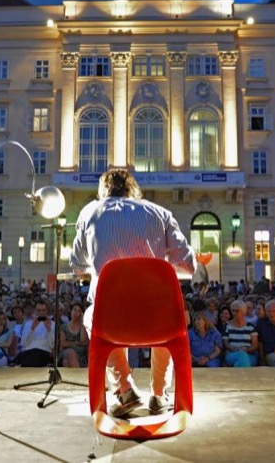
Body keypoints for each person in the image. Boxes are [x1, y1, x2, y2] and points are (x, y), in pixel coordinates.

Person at [70, 168, 196, 418]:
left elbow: (76, 264)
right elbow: (188, 266)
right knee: (169, 311)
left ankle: (125, 389)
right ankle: (159, 395)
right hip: (157, 320)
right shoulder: (161, 213)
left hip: (111, 320)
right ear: (133, 190)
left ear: (103, 191)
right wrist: (155, 267)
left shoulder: (89, 212)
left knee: (90, 316)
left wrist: (103, 264)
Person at [14, 301, 54, 367]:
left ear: (47, 310)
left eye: (43, 310)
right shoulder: (28, 324)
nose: (41, 313)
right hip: (28, 353)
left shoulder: (52, 324)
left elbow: (52, 345)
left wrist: (49, 330)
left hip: (43, 353)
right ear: (35, 311)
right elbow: (23, 343)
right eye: (38, 310)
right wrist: (32, 329)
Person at [223, 300, 259, 367]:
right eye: (233, 311)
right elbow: (226, 343)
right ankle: (248, 376)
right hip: (232, 354)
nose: (234, 313)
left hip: (249, 355)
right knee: (241, 354)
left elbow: (255, 345)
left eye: (237, 311)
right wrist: (234, 349)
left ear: (243, 312)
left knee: (238, 364)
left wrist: (246, 350)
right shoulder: (227, 326)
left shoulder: (251, 327)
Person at [60, 303, 89, 368]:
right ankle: (79, 376)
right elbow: (63, 343)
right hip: (66, 351)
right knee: (71, 352)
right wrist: (77, 343)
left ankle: (71, 377)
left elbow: (83, 341)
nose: (75, 313)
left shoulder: (83, 327)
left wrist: (82, 323)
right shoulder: (63, 326)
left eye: (79, 311)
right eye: (74, 310)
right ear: (71, 311)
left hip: (80, 354)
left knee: (66, 362)